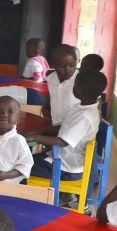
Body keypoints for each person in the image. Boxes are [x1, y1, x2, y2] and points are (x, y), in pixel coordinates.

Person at [25, 71, 105, 202]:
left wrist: (34, 137)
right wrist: (41, 131)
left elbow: (62, 141)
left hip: (65, 168)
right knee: (25, 158)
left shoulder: (85, 116)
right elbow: (65, 128)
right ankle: (62, 195)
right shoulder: (83, 109)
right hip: (62, 159)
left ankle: (27, 200)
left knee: (20, 164)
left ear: (79, 89)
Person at [42, 44, 79, 124]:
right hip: (55, 124)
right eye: (62, 66)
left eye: (72, 65)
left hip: (73, 127)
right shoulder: (51, 78)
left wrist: (99, 113)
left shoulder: (81, 79)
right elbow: (54, 95)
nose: (68, 70)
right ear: (53, 64)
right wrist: (44, 108)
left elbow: (97, 99)